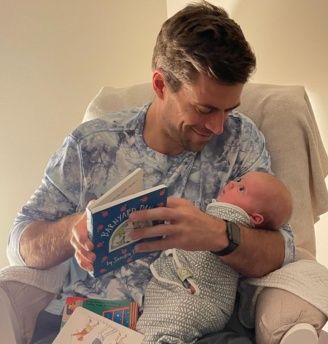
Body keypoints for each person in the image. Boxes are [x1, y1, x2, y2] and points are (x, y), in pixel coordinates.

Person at [7, 2, 296, 343]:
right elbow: (21, 244)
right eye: (205, 109)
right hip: (88, 326)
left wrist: (219, 235)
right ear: (160, 84)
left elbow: (281, 250)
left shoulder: (240, 140)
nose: (218, 126)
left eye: (228, 110)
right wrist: (73, 229)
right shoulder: (92, 145)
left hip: (194, 329)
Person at [137, 171, 292, 343]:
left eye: (241, 189)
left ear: (255, 218)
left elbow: (285, 246)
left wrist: (219, 232)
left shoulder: (232, 216)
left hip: (197, 298)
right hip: (198, 300)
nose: (232, 183)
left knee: (165, 325)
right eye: (238, 180)